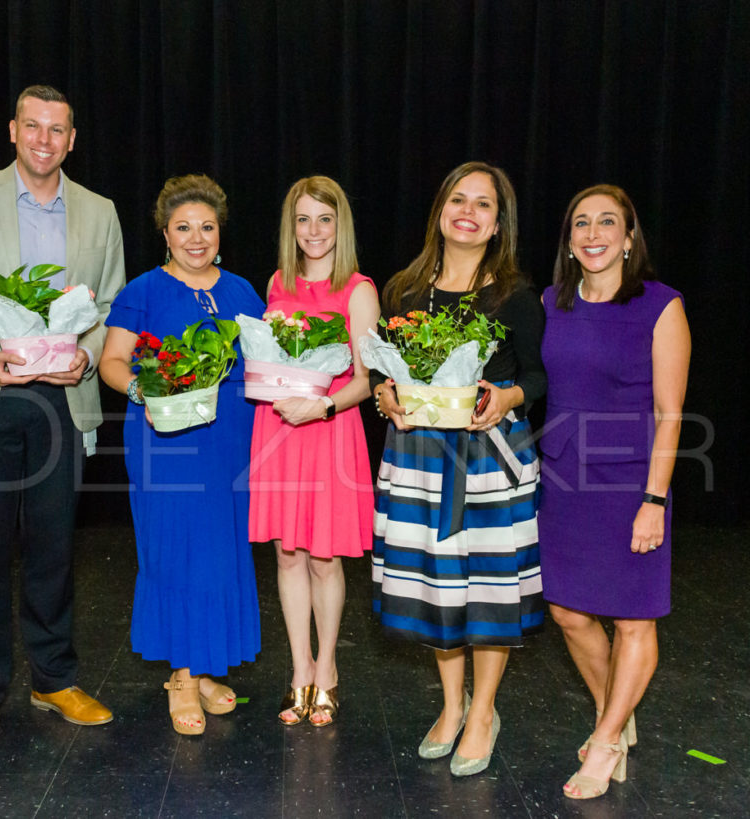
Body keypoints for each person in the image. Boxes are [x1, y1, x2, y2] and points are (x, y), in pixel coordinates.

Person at [0, 85, 125, 756]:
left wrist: (87, 360)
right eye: (32, 125)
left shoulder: (100, 212)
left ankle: (53, 678)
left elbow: (113, 310)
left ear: (73, 139)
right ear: (12, 130)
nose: (44, 138)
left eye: (57, 129)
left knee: (53, 548)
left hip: (62, 400)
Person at [371, 162, 546, 776]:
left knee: (490, 591)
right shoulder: (404, 291)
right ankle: (451, 706)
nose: (468, 212)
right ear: (440, 209)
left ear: (499, 225)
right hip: (419, 458)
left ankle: (484, 712)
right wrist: (383, 395)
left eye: (484, 205)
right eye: (458, 200)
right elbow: (384, 370)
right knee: (440, 588)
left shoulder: (514, 294)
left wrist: (504, 398)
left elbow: (536, 376)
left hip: (490, 456)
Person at [538, 185, 690, 800]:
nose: (593, 233)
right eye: (581, 223)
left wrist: (654, 499)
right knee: (568, 612)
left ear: (629, 237)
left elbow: (671, 412)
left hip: (630, 479)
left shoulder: (661, 305)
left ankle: (604, 742)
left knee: (633, 618)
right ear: (570, 241)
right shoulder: (553, 301)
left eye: (607, 223)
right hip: (564, 476)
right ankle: (616, 715)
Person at [99, 174, 263, 735]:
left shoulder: (243, 292)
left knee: (220, 555)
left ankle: (206, 667)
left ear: (221, 232)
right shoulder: (142, 291)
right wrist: (150, 392)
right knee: (178, 554)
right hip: (167, 444)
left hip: (232, 446)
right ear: (165, 234)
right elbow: (113, 363)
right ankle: (184, 678)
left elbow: (265, 363)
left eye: (207, 227)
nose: (197, 238)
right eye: (183, 228)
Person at [247, 176, 379, 727]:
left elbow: (368, 380)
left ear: (339, 224)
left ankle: (326, 669)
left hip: (329, 429)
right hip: (278, 431)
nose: (313, 231)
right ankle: (298, 667)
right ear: (291, 226)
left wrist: (322, 406)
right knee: (286, 554)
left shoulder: (359, 289)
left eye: (324, 219)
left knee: (325, 557)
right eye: (303, 219)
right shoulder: (278, 282)